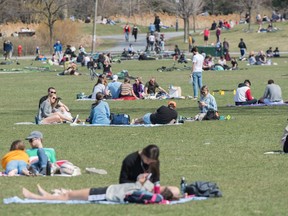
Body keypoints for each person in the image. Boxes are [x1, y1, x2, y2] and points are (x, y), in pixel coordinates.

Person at [22, 176, 180, 202]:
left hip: (107, 195)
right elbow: (175, 190)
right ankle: (47, 194)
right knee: (71, 193)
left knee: (69, 197)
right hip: (108, 189)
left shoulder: (146, 194)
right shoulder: (151, 189)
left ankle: (37, 197)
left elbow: (173, 191)